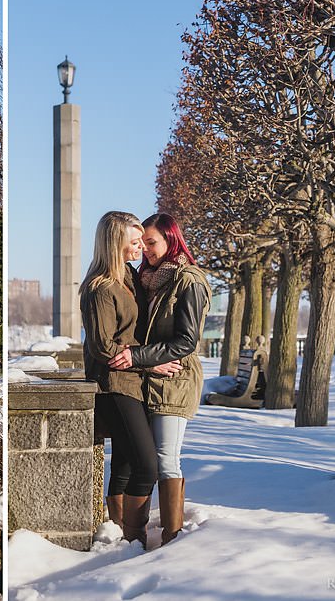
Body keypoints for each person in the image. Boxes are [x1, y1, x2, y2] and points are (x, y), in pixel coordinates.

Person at [109, 212, 211, 545]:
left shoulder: (188, 280)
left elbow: (187, 341)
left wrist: (137, 357)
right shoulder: (150, 280)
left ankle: (172, 537)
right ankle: (129, 535)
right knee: (142, 457)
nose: (147, 250)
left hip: (176, 379)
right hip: (151, 378)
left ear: (171, 239)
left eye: (152, 243)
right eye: (143, 243)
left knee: (167, 457)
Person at [80, 210, 159, 546]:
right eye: (135, 240)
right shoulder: (101, 288)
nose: (140, 246)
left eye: (142, 240)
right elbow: (102, 346)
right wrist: (149, 363)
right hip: (113, 385)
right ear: (115, 242)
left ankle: (120, 537)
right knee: (147, 465)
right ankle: (133, 537)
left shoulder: (128, 277)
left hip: (132, 382)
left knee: (126, 463)